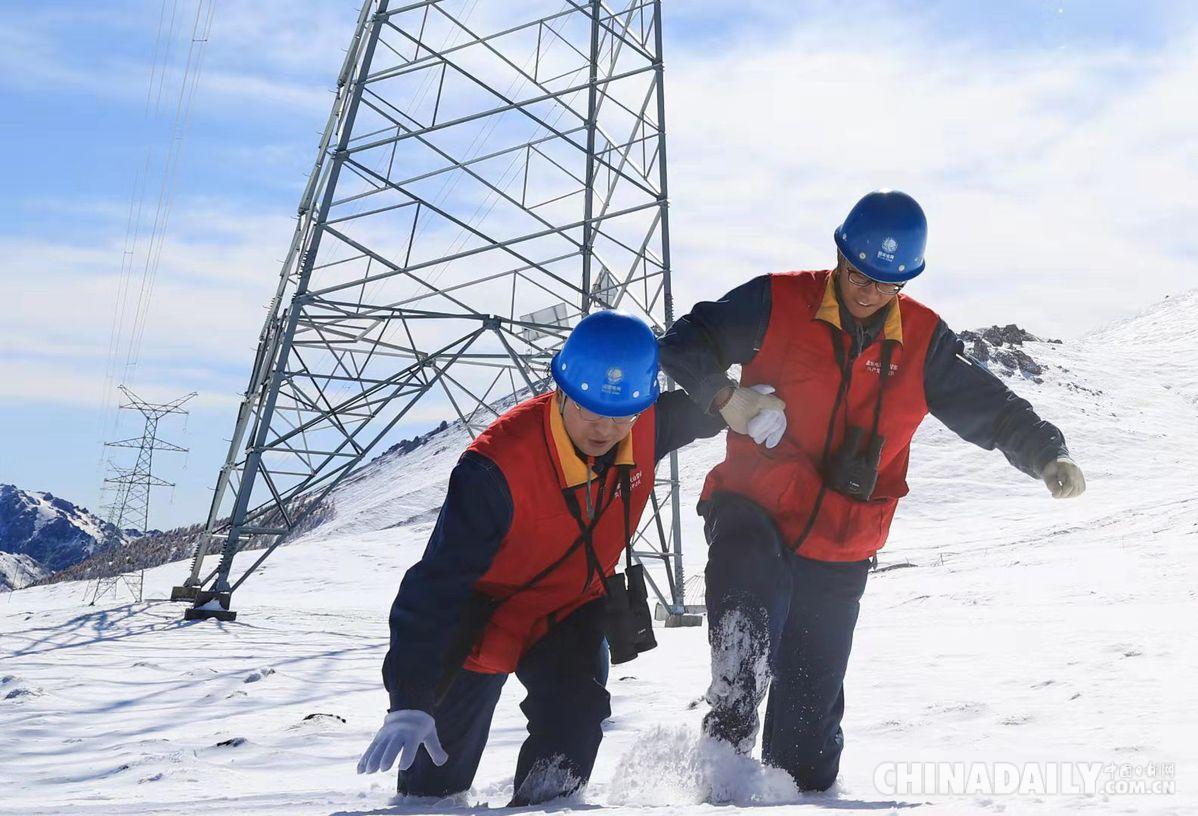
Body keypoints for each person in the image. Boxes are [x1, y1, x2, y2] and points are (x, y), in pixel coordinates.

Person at [658, 189, 1087, 792]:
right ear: (839, 253)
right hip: (751, 506)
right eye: (858, 273)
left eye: (887, 283)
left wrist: (1047, 453)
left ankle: (792, 794)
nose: (868, 291)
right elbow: (682, 343)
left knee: (806, 753)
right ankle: (717, 767)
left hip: (840, 543)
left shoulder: (924, 340)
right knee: (747, 616)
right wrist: (725, 397)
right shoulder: (775, 300)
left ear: (906, 281)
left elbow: (990, 408)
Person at [358, 310, 724, 805]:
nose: (604, 429)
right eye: (590, 411)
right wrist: (410, 697)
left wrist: (745, 401)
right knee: (432, 786)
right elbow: (436, 585)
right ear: (562, 392)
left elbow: (716, 406)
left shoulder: (643, 425)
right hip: (480, 622)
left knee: (576, 720)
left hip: (568, 611)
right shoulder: (494, 467)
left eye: (621, 417)